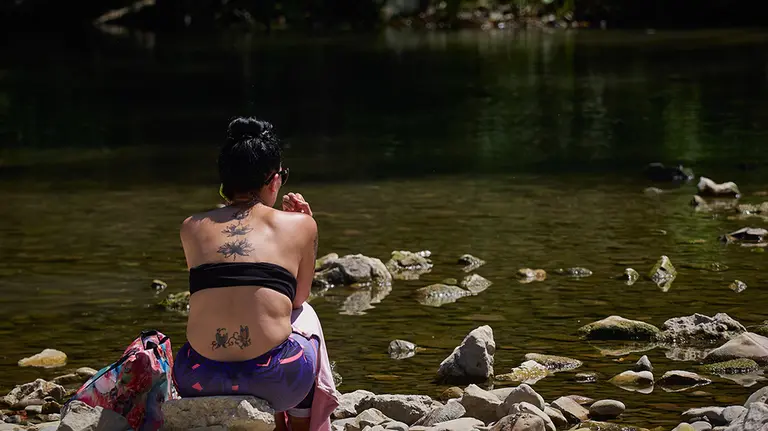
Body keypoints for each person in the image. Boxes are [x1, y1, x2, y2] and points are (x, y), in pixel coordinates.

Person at [173, 117, 336, 431]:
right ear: (273, 179)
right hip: (278, 378)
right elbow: (298, 298)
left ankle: (268, 423)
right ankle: (302, 425)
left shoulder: (190, 227)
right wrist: (304, 227)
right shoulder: (300, 225)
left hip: (197, 376)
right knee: (305, 314)